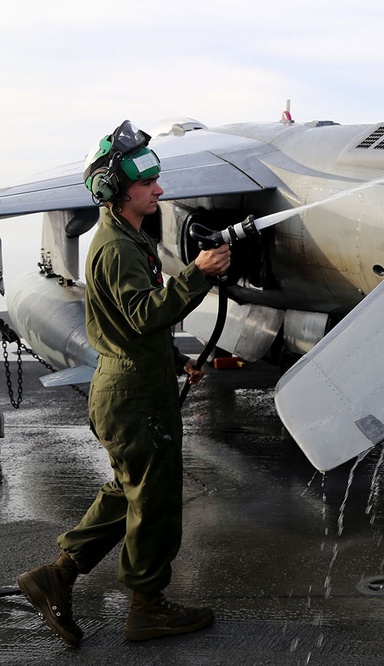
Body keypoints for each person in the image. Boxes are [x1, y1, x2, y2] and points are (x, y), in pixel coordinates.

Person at [16, 120, 231, 646]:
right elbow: (140, 314)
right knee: (154, 502)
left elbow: (126, 325)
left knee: (129, 490)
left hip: (135, 386)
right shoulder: (116, 248)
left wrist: (175, 364)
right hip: (134, 397)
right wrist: (198, 274)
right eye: (146, 184)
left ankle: (56, 576)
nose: (158, 190)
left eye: (156, 180)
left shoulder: (130, 238)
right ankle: (147, 607)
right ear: (116, 192)